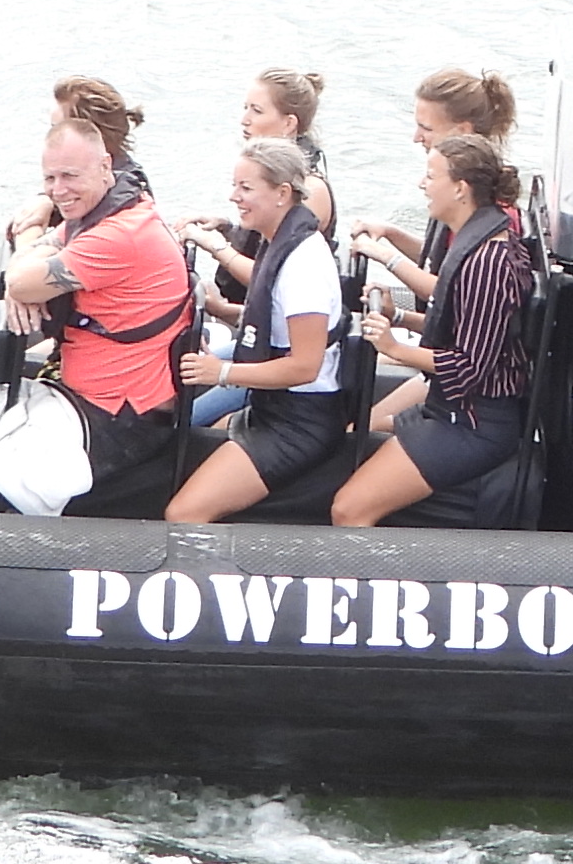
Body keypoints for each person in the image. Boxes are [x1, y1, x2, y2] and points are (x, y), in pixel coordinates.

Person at [0, 83, 192, 517]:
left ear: (104, 164)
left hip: (121, 414)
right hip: (89, 388)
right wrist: (29, 267)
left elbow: (22, 280)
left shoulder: (118, 234)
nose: (58, 190)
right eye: (50, 178)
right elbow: (37, 260)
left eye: (69, 176)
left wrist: (24, 276)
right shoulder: (101, 208)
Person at [335, 132, 539, 530]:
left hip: (474, 423)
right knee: (355, 439)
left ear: (460, 188)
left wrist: (394, 348)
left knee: (349, 509)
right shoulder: (476, 243)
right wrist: (399, 317)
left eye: (431, 176)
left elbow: (468, 367)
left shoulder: (489, 262)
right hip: (450, 408)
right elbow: (466, 325)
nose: (422, 184)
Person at [164, 141, 358, 522]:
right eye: (234, 186)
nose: (233, 197)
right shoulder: (279, 243)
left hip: (299, 422)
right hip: (272, 408)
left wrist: (221, 372)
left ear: (282, 193)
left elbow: (305, 366)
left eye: (246, 188)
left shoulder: (304, 264)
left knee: (184, 513)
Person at [190, 68, 339, 429]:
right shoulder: (271, 188)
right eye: (245, 108)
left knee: (187, 422)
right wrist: (226, 227)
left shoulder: (308, 197)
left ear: (289, 123)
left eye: (256, 111)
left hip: (289, 372)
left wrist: (217, 248)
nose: (245, 119)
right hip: (261, 333)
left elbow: (274, 275)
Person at [348, 66, 516, 323]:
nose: (417, 137)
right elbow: (446, 261)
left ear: (462, 131)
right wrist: (390, 233)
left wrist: (384, 256)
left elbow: (455, 290)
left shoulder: (488, 208)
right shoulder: (457, 190)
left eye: (425, 128)